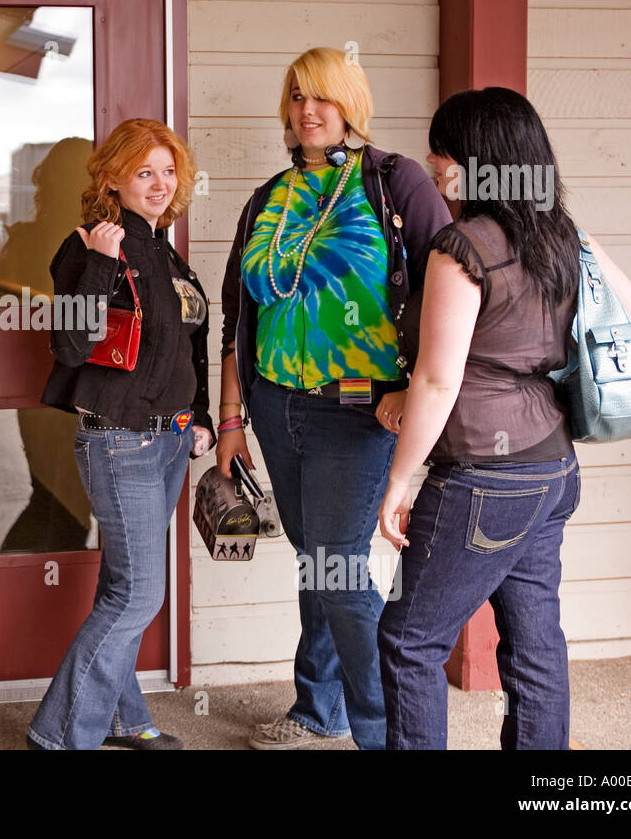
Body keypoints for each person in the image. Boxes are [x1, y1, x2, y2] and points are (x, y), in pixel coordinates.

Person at [375, 87, 631, 750]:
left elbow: (440, 379)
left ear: (477, 157)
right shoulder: (564, 235)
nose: (433, 162)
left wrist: (399, 483)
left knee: (409, 641)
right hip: (553, 469)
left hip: (482, 480)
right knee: (534, 641)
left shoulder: (463, 248)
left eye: (443, 148)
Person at [216, 47, 449, 750]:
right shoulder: (269, 199)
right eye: (295, 97)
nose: (306, 110)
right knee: (315, 557)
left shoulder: (394, 182)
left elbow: (450, 290)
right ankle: (319, 707)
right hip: (276, 407)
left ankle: (390, 732)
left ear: (351, 104)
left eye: (321, 96)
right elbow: (237, 319)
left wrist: (415, 387)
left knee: (339, 566)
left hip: (358, 411)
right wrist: (231, 416)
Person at [27, 118, 214, 750]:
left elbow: (194, 347)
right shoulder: (85, 248)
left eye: (168, 171)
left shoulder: (166, 249)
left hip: (170, 440)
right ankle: (57, 736)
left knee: (121, 586)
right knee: (138, 596)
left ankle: (122, 719)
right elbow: (70, 343)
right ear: (113, 180)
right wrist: (103, 266)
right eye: (144, 172)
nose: (160, 184)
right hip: (119, 439)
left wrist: (203, 419)